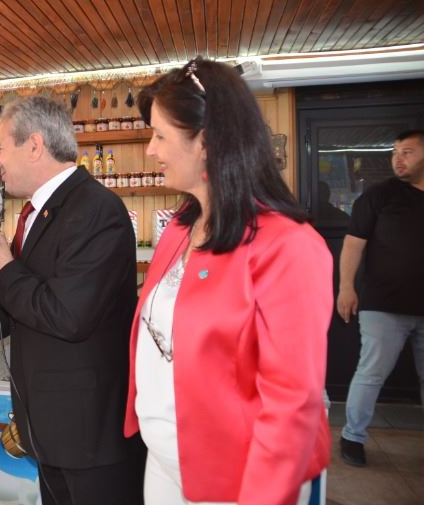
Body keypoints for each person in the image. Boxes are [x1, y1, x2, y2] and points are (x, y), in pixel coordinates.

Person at [125, 58, 333, 505]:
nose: (151, 150)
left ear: (206, 141)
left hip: (239, 473)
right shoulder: (180, 227)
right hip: (164, 460)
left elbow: (292, 401)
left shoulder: (289, 246)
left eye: (160, 135)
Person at [0, 96, 145, 505]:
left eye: (0, 147)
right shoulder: (38, 213)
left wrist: (3, 271)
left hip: (89, 440)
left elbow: (68, 315)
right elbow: (24, 305)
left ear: (34, 145)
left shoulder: (97, 210)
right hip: (47, 433)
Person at [337, 129, 424, 467]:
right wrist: (346, 287)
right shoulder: (380, 196)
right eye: (394, 152)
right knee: (371, 373)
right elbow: (353, 244)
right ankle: (352, 437)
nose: (397, 159)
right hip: (383, 304)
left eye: (407, 152)